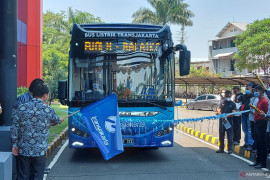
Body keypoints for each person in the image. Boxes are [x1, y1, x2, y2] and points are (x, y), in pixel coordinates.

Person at [10, 83, 64, 179]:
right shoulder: (48, 110)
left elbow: (14, 128)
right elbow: (56, 120)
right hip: (40, 150)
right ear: (45, 95)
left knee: (23, 176)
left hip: (23, 149)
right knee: (38, 176)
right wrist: (58, 121)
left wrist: (14, 145)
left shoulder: (21, 108)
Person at [249, 85, 269, 168]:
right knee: (257, 143)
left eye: (257, 90)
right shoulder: (258, 100)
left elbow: (266, 113)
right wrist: (255, 113)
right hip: (256, 122)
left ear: (261, 91)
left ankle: (263, 162)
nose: (255, 92)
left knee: (262, 143)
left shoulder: (264, 101)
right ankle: (258, 161)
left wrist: (263, 116)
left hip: (262, 123)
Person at [216, 90, 236, 154]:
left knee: (230, 136)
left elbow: (234, 112)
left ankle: (230, 149)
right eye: (226, 96)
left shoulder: (233, 103)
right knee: (221, 135)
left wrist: (226, 117)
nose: (227, 97)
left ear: (230, 95)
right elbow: (219, 110)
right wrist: (222, 116)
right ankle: (221, 148)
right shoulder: (222, 102)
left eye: (229, 96)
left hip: (229, 121)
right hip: (222, 121)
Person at [238, 84, 254, 151]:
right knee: (245, 130)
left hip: (249, 115)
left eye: (248, 89)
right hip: (243, 114)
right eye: (246, 89)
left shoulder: (253, 96)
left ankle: (250, 144)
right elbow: (238, 101)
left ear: (252, 89)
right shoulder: (243, 96)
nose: (247, 90)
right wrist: (238, 95)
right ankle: (246, 143)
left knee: (249, 130)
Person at [249, 84, 259, 152]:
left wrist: (254, 113)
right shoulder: (253, 98)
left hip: (257, 118)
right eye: (253, 90)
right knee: (252, 133)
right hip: (251, 118)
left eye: (255, 90)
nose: (254, 91)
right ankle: (253, 145)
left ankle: (256, 147)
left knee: (256, 133)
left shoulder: (260, 99)